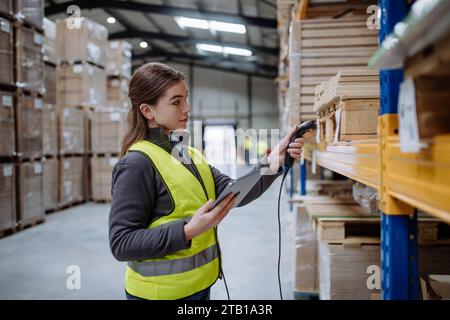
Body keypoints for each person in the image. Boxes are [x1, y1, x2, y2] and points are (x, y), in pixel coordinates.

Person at [108, 62, 304, 300]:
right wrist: (188, 231)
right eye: (176, 101)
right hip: (159, 295)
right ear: (147, 111)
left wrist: (275, 161)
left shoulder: (188, 154)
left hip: (200, 287)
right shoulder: (137, 164)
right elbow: (122, 242)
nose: (187, 108)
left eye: (186, 99)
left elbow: (236, 193)